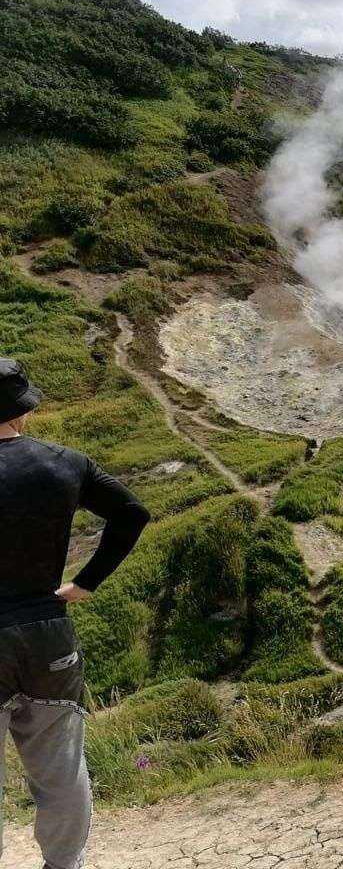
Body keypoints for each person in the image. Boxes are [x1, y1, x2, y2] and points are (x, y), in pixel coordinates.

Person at [0, 358, 150, 869]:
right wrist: (85, 583)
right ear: (28, 409)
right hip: (48, 634)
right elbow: (133, 513)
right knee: (60, 768)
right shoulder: (65, 463)